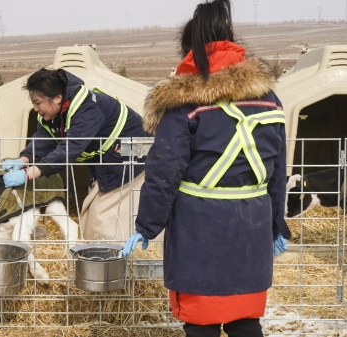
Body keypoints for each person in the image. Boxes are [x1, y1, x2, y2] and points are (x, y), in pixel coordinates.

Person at [123, 1, 292, 336]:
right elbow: (277, 169)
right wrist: (275, 224)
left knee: (202, 322)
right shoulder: (269, 99)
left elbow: (164, 171)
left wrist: (147, 225)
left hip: (201, 230)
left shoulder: (184, 104)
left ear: (191, 49)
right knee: (246, 319)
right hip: (252, 226)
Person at [2, 67, 147, 240]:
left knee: (104, 216)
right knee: (93, 211)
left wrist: (29, 173)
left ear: (57, 97)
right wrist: (23, 159)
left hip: (132, 154)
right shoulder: (55, 113)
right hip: (106, 158)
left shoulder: (88, 108)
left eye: (38, 102)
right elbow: (44, 138)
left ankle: (113, 254)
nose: (35, 109)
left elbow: (71, 147)